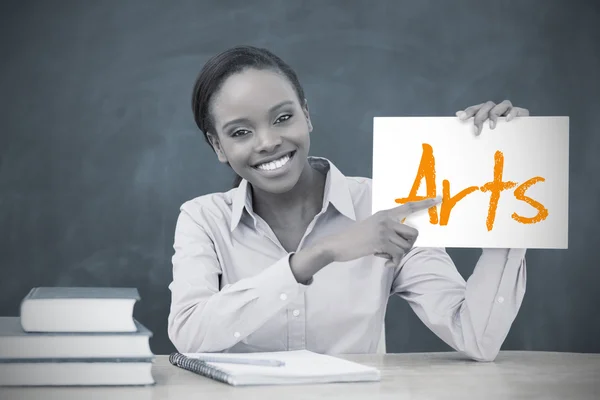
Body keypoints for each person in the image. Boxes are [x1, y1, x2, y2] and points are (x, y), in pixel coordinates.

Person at [167, 45, 530, 362]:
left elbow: (476, 337)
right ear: (217, 146)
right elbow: (189, 333)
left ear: (306, 115)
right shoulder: (203, 219)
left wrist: (503, 200)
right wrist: (320, 254)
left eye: (283, 117)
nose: (267, 142)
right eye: (241, 132)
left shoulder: (388, 206)